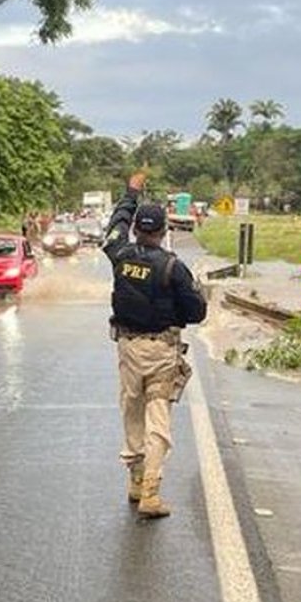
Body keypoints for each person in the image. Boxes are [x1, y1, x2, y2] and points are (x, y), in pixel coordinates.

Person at [102, 171, 207, 519]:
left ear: (135, 230)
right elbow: (196, 313)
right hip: (162, 352)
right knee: (157, 417)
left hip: (128, 348)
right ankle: (151, 490)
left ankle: (134, 480)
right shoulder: (174, 268)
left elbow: (115, 223)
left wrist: (130, 193)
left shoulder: (119, 254)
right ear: (164, 232)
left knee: (132, 411)